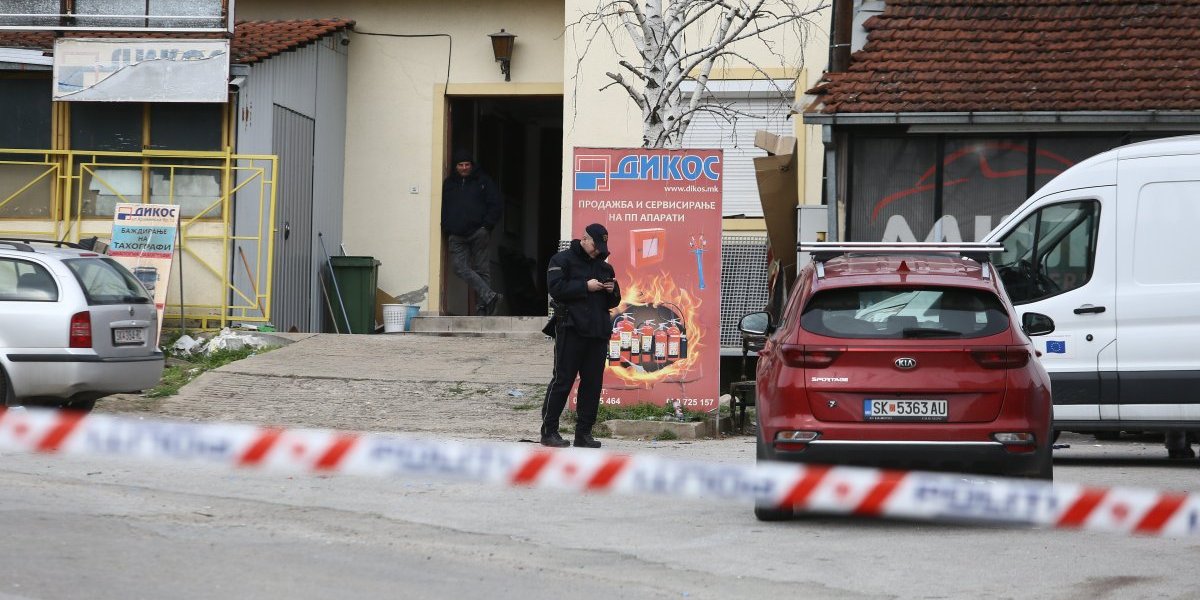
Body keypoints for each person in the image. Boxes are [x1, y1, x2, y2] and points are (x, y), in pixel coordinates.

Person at [540, 223, 621, 448]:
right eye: (595, 246)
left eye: (601, 248)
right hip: (571, 329)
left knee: (593, 384)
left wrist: (612, 290)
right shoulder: (561, 260)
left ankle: (583, 434)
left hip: (597, 332)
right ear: (584, 240)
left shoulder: (604, 267)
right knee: (563, 380)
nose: (597, 252)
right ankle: (549, 431)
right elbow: (555, 288)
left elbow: (613, 301)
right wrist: (585, 286)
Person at [441, 149, 503, 315]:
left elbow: (496, 204)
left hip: (478, 233)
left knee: (482, 270)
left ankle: (482, 308)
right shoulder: (449, 184)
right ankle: (490, 296)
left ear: (472, 165)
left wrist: (486, 226)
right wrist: (447, 226)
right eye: (460, 165)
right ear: (455, 166)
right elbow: (444, 206)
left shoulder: (483, 181)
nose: (464, 168)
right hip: (456, 234)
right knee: (458, 267)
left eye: (467, 164)